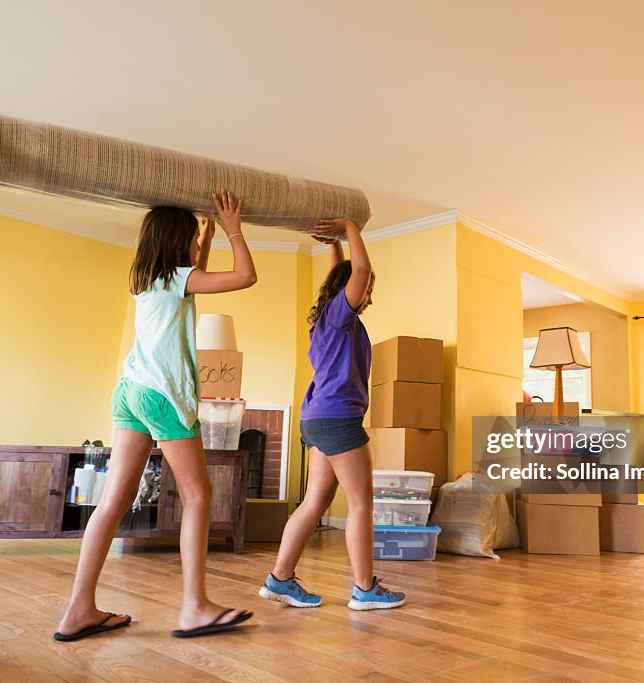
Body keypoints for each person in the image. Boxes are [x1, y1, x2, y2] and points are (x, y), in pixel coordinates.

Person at [56, 190, 257, 641]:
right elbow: (245, 275)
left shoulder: (146, 278)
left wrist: (202, 236)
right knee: (199, 494)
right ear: (178, 244)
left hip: (130, 391)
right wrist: (231, 228)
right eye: (191, 241)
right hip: (164, 395)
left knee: (112, 501)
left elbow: (194, 270)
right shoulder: (178, 278)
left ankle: (78, 610)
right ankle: (194, 607)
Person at [259, 217, 405, 610]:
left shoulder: (329, 320)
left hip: (317, 419)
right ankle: (365, 589)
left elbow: (345, 273)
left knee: (314, 502)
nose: (369, 295)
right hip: (338, 419)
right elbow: (360, 269)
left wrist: (333, 244)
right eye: (367, 290)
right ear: (350, 291)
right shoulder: (341, 318)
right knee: (361, 504)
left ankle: (280, 579)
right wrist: (349, 225)